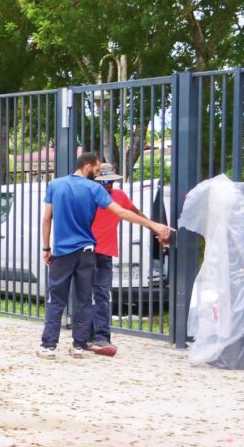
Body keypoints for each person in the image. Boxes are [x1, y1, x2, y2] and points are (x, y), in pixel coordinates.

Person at [37, 152, 171, 360]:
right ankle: (79, 346)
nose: (99, 175)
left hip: (63, 252)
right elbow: (123, 213)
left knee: (57, 299)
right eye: (98, 170)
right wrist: (154, 225)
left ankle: (48, 347)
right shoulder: (93, 189)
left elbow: (47, 218)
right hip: (88, 252)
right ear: (88, 166)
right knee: (85, 300)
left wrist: (46, 248)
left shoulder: (56, 185)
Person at [75, 162, 145, 356]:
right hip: (85, 251)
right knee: (85, 295)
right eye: (104, 181)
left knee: (102, 294)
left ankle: (102, 336)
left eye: (111, 182)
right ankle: (84, 335)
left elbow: (134, 212)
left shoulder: (119, 196)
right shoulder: (87, 195)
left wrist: (153, 227)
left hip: (105, 252)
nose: (108, 185)